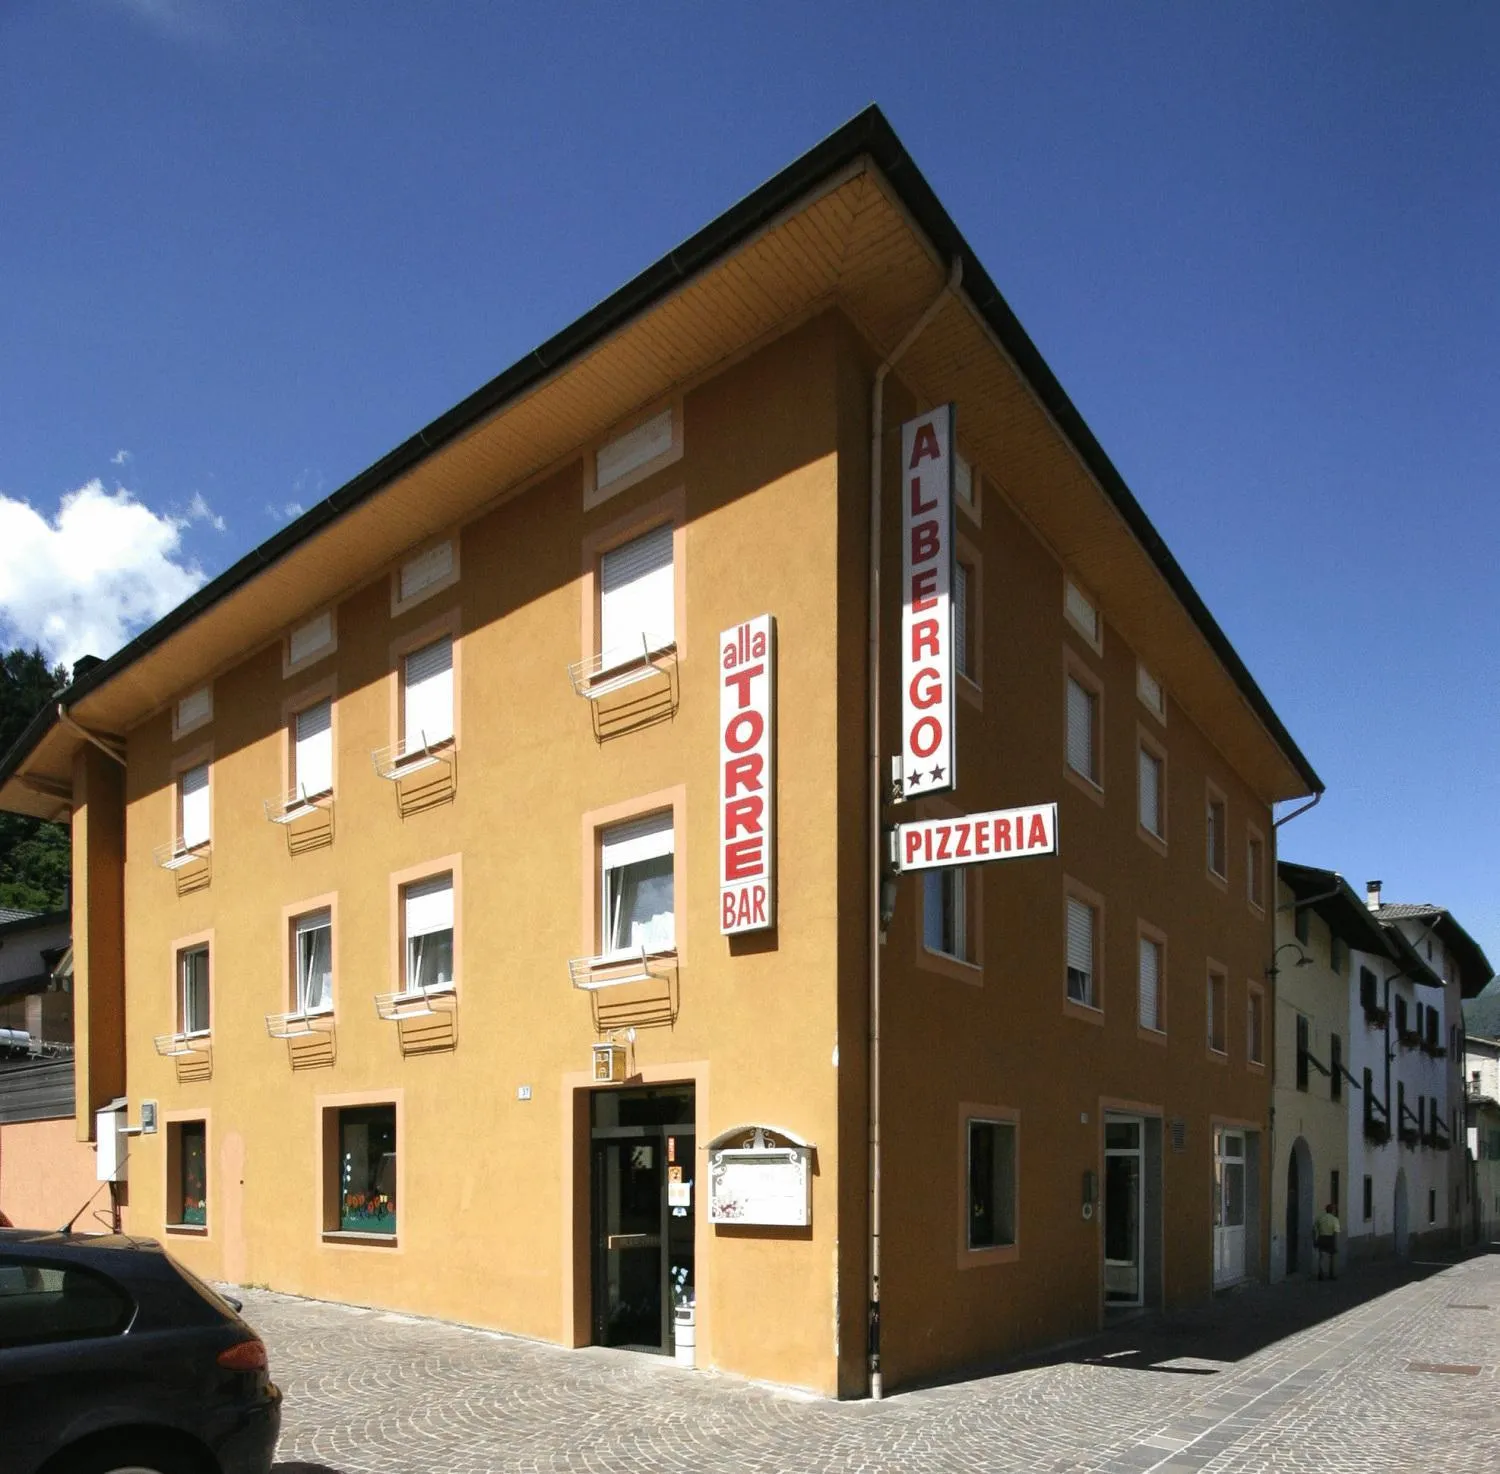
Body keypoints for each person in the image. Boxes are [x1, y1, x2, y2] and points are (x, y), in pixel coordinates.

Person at [1315, 1202, 1340, 1280]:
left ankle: (1321, 1273)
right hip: (1330, 1238)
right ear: (1333, 1211)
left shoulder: (1320, 1218)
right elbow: (1336, 1232)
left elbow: (1315, 1229)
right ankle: (1331, 1274)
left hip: (1321, 1238)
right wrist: (1336, 1244)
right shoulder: (1335, 1219)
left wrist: (1315, 1240)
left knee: (1321, 1257)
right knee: (1332, 1257)